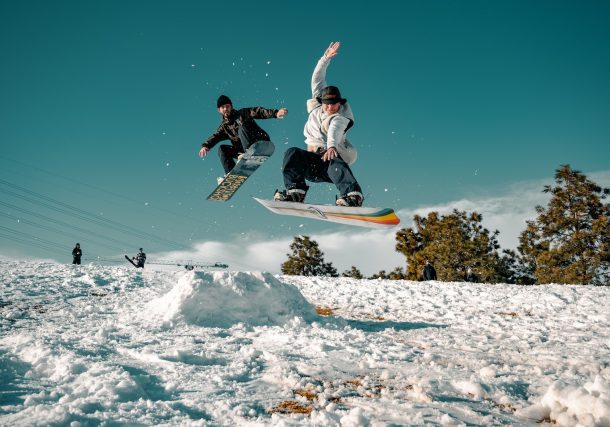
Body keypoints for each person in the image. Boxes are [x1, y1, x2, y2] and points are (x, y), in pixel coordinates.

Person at [274, 41, 363, 207]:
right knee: (292, 153)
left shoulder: (339, 117)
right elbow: (317, 78)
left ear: (339, 104)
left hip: (331, 166)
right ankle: (296, 192)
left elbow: (334, 131)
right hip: (312, 165)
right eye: (327, 103)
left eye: (334, 104)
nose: (330, 107)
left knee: (333, 159)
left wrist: (331, 147)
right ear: (321, 101)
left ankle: (352, 196)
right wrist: (325, 58)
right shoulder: (317, 107)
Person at [199, 95, 288, 181]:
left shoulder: (242, 113)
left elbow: (258, 111)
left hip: (260, 140)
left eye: (227, 106)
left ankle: (249, 153)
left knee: (242, 126)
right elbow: (215, 136)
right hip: (243, 151)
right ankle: (231, 175)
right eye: (223, 107)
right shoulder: (224, 127)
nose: (226, 109)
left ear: (231, 106)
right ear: (219, 110)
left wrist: (275, 113)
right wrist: (206, 146)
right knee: (222, 149)